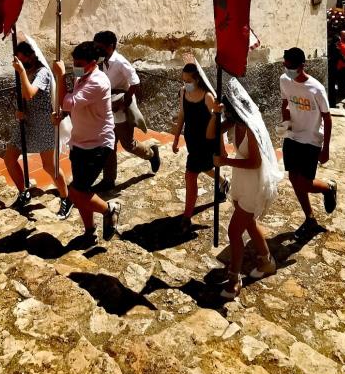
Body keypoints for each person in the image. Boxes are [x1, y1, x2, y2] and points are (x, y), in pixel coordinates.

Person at [212, 77, 282, 299]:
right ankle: (266, 261)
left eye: (227, 110)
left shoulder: (250, 128)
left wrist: (226, 162)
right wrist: (213, 112)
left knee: (234, 231)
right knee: (250, 224)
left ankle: (234, 278)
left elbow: (255, 162)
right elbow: (213, 132)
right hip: (242, 179)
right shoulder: (235, 123)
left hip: (253, 183)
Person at [52, 42, 120, 244]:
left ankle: (110, 209)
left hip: (98, 144)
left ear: (92, 63)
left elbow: (68, 101)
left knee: (76, 192)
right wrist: (62, 115)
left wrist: (60, 77)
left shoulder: (98, 82)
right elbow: (71, 105)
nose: (75, 66)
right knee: (84, 190)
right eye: (74, 63)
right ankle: (89, 231)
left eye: (79, 63)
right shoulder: (82, 77)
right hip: (80, 142)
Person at [5, 37, 72, 217]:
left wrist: (21, 72)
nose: (23, 63)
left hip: (44, 124)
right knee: (9, 158)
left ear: (32, 56)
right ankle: (23, 192)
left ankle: (66, 197)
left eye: (24, 59)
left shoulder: (42, 72)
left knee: (49, 167)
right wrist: (19, 111)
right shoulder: (26, 72)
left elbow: (29, 94)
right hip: (26, 123)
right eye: (19, 60)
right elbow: (22, 98)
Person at [280, 47, 337, 240]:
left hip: (311, 139)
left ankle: (328, 188)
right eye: (286, 66)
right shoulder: (284, 80)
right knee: (294, 179)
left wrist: (326, 148)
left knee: (304, 182)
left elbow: (327, 119)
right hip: (292, 136)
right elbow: (285, 102)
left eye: (292, 67)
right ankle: (310, 219)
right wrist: (285, 122)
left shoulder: (317, 89)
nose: (288, 70)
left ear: (302, 65)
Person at [94, 30, 160, 192]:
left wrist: (124, 102)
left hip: (120, 107)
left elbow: (135, 82)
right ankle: (109, 180)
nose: (98, 50)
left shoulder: (120, 62)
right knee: (109, 145)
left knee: (128, 144)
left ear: (111, 46)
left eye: (100, 47)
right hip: (107, 106)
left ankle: (151, 153)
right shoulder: (100, 60)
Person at [171, 63, 227, 233]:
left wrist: (221, 147)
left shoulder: (207, 96)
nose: (185, 83)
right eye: (183, 79)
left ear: (197, 79)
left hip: (206, 142)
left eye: (188, 80)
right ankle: (223, 182)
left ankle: (187, 216)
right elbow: (182, 115)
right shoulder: (183, 92)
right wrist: (176, 139)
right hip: (192, 141)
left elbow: (217, 122)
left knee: (190, 175)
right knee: (205, 167)